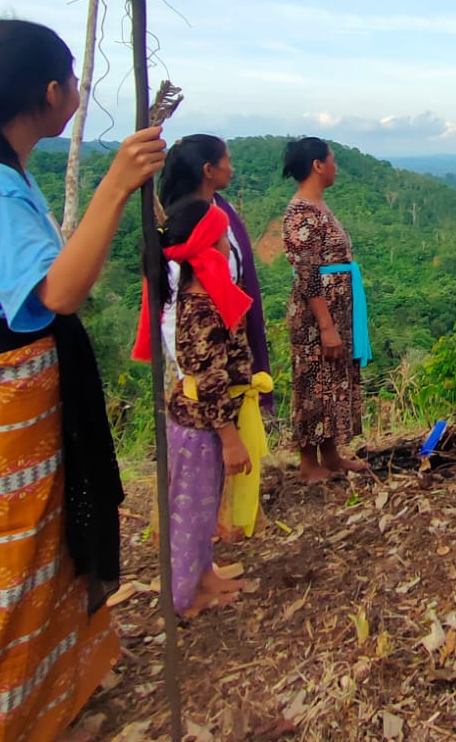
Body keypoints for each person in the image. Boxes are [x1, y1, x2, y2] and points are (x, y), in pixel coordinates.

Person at [0, 18, 165, 742]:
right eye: (74, 82)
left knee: (39, 552)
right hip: (4, 396)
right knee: (13, 566)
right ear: (51, 91)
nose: (77, 96)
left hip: (8, 389)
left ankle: (45, 701)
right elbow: (56, 293)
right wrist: (116, 188)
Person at [136, 198, 267, 618]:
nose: (231, 246)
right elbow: (209, 379)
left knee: (204, 505)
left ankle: (203, 577)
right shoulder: (202, 307)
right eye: (224, 239)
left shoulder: (199, 298)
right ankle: (183, 596)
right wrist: (230, 438)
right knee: (191, 510)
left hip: (201, 419)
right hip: (202, 423)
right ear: (209, 248)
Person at [152, 136, 273, 423]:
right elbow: (174, 311)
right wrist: (194, 377)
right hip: (205, 365)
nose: (231, 168)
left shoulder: (216, 210)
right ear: (209, 169)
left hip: (223, 353)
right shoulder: (190, 227)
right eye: (226, 161)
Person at [280, 138, 369, 484]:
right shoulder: (301, 211)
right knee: (313, 380)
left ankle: (330, 456)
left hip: (336, 308)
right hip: (316, 315)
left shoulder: (319, 206)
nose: (336, 166)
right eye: (332, 160)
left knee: (331, 380)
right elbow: (308, 272)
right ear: (318, 165)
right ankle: (307, 462)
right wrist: (326, 324)